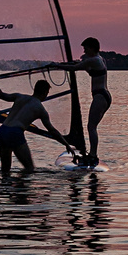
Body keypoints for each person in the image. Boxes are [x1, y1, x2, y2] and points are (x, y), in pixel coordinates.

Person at [0, 77, 68, 175]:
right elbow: (52, 131)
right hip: (15, 133)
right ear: (45, 92)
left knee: (5, 170)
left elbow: (0, 94)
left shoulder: (19, 97)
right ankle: (19, 188)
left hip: (2, 130)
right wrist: (66, 144)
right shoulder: (40, 109)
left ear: (35, 89)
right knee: (29, 168)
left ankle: (5, 189)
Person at [51, 37, 111, 167]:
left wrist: (56, 66)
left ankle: (93, 155)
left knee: (91, 126)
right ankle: (92, 153)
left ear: (91, 48)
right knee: (92, 126)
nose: (84, 50)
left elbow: (75, 68)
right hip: (103, 96)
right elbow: (77, 65)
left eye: (85, 48)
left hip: (100, 96)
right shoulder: (99, 59)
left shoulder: (94, 60)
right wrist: (67, 64)